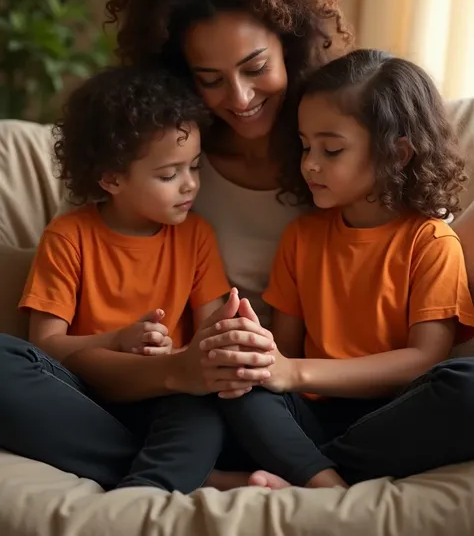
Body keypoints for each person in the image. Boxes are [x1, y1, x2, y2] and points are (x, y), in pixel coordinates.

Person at [206, 50, 474, 489]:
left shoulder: (431, 242)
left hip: (393, 418)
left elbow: (424, 360)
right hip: (306, 415)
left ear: (398, 153)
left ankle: (305, 472)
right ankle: (322, 478)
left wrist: (292, 371)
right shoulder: (302, 237)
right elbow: (283, 354)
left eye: (331, 150)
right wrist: (259, 354)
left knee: (467, 388)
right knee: (238, 377)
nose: (310, 163)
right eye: (306, 146)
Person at [0, 64, 260, 492]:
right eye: (168, 175)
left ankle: (146, 488)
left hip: (164, 392)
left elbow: (206, 343)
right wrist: (115, 340)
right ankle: (183, 477)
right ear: (111, 178)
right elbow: (46, 345)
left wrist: (205, 350)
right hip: (83, 396)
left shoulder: (195, 236)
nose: (190, 185)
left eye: (194, 167)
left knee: (203, 406)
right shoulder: (69, 236)